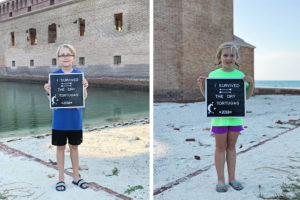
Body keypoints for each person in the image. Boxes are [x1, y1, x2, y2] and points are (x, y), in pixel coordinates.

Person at [197, 42, 254, 192]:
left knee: (232, 147)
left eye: (232, 55)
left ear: (236, 58)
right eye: (225, 55)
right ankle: (221, 179)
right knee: (220, 147)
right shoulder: (214, 75)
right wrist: (202, 86)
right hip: (219, 119)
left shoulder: (240, 76)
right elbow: (209, 99)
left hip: (235, 118)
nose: (229, 58)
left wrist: (252, 84)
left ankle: (232, 178)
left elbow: (246, 97)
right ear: (220, 57)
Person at [44, 44, 89, 191]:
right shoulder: (54, 77)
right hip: (59, 120)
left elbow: (84, 98)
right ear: (58, 58)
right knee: (60, 148)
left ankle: (76, 177)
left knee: (74, 147)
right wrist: (48, 91)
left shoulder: (79, 75)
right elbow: (52, 99)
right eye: (62, 55)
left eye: (68, 54)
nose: (65, 57)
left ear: (73, 57)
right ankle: (61, 179)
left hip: (75, 119)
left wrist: (85, 87)